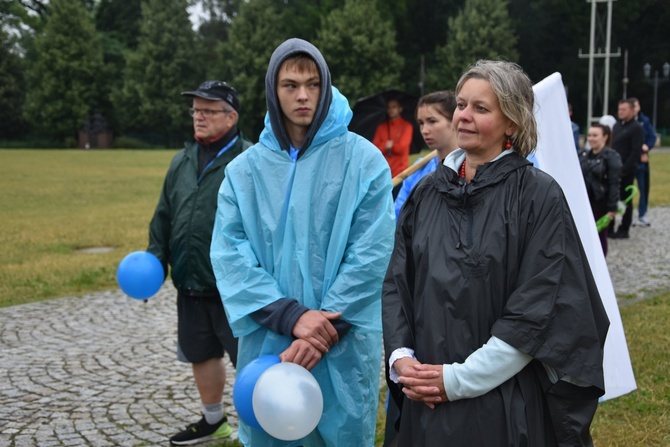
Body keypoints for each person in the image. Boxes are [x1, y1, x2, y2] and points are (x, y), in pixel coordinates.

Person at [382, 60, 609, 446]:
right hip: (426, 399)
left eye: (480, 109)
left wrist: (458, 379)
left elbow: (538, 308)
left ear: (512, 124)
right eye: (460, 104)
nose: (463, 117)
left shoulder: (537, 196)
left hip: (504, 406)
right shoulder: (426, 193)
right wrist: (402, 360)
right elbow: (398, 283)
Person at [210, 38, 395, 447]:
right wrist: (291, 317)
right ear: (273, 91)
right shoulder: (245, 172)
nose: (303, 96)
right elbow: (229, 253)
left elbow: (373, 252)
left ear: (326, 87)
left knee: (341, 434)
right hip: (270, 338)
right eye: (290, 85)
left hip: (340, 346)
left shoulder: (363, 162)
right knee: (273, 431)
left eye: (313, 84)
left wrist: (325, 327)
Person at [147, 80, 252, 446]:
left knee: (251, 361)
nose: (199, 117)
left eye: (208, 110)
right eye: (196, 110)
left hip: (236, 286)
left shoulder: (249, 159)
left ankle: (264, 422)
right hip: (190, 281)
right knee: (201, 353)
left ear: (231, 116)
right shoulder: (182, 159)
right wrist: (156, 260)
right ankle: (213, 421)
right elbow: (164, 215)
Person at [393, 91, 458, 219]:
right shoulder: (417, 171)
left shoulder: (470, 168)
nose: (424, 130)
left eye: (432, 121)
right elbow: (398, 215)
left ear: (455, 121)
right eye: (421, 123)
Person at [579, 123, 622, 256]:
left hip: (601, 204)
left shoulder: (611, 157)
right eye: (589, 135)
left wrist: (612, 207)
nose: (591, 138)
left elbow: (614, 183)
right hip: (584, 203)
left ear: (605, 137)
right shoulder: (583, 155)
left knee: (599, 237)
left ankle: (600, 266)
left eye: (595, 135)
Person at [609, 98, 644, 239]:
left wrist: (624, 169)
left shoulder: (636, 128)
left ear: (631, 110)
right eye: (619, 109)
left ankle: (624, 227)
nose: (621, 112)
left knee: (625, 200)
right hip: (613, 169)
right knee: (611, 198)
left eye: (624, 110)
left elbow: (636, 151)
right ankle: (610, 227)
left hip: (625, 171)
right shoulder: (617, 126)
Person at [373, 97, 414, 198]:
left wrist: (390, 146)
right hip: (384, 172)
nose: (391, 109)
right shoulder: (381, 127)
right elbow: (375, 149)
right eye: (389, 107)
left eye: (394, 107)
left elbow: (402, 148)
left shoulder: (407, 126)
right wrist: (386, 145)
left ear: (400, 109)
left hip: (401, 172)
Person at [631, 97, 656, 226]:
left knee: (643, 188)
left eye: (637, 106)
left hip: (642, 161)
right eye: (634, 106)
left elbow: (652, 136)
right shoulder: (625, 122)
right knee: (627, 189)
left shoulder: (644, 121)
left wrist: (646, 147)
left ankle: (642, 214)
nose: (636, 109)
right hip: (630, 160)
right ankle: (627, 215)